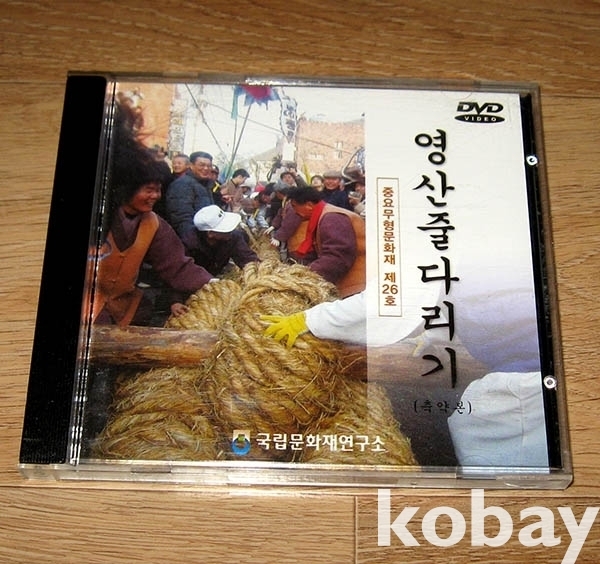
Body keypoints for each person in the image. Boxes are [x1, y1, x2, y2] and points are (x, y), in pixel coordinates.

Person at [90, 103, 215, 327]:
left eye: (158, 189)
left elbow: (177, 265)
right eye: (148, 190)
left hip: (124, 307)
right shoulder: (100, 216)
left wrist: (213, 283)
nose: (155, 196)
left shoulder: (154, 225)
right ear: (127, 189)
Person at [285, 185, 365, 297]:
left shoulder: (332, 218)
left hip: (356, 287)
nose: (294, 212)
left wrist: (305, 275)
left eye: (294, 206)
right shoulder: (322, 215)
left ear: (309, 205)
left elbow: (337, 257)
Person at [182, 205, 260, 276]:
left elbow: (247, 258)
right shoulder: (190, 245)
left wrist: (259, 271)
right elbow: (186, 271)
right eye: (224, 229)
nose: (230, 230)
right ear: (210, 234)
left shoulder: (233, 237)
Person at [165, 150, 216, 239]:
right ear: (191, 166)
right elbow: (181, 219)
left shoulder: (205, 185)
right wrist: (196, 241)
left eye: (209, 166)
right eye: (202, 165)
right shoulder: (182, 184)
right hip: (191, 240)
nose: (206, 168)